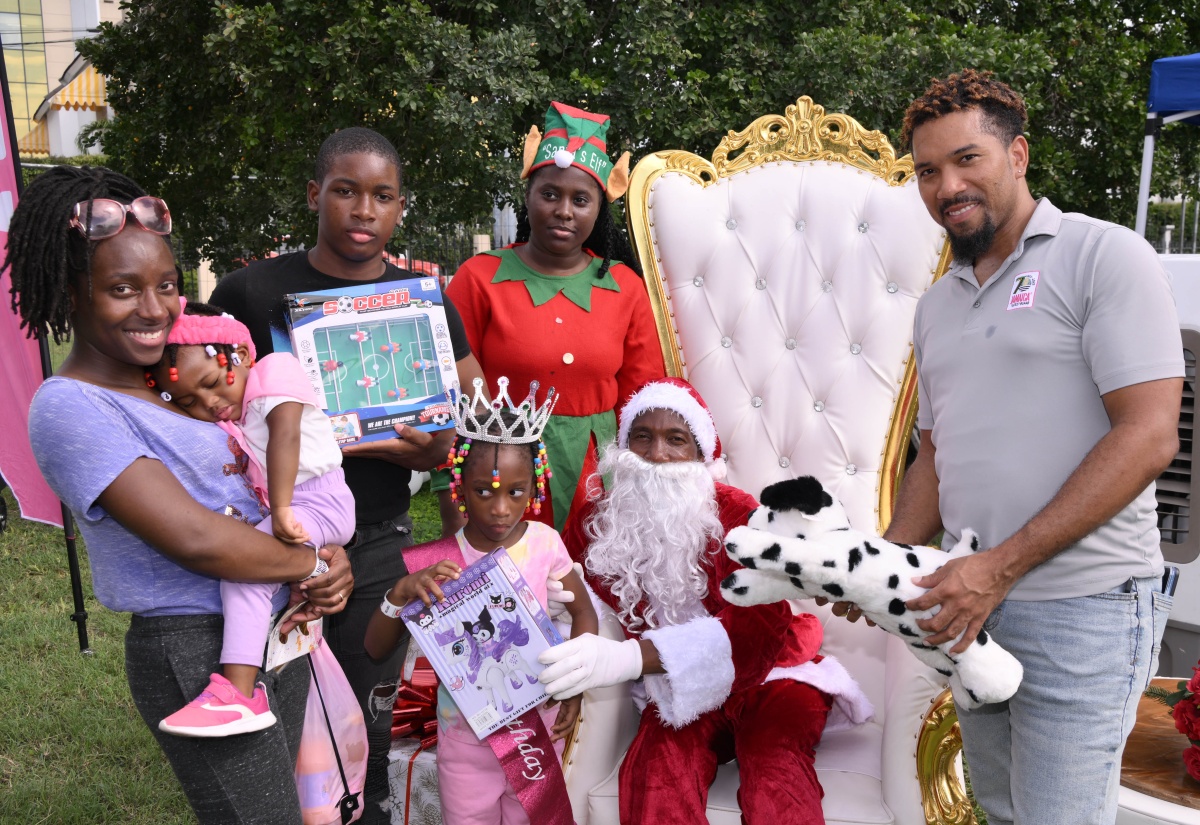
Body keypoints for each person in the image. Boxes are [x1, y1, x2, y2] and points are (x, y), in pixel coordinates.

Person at [878, 70, 1182, 825]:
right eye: (926, 171)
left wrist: (997, 568)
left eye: (967, 159)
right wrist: (881, 560)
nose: (947, 185)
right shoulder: (937, 306)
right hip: (975, 606)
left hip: (1085, 609)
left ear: (1017, 155)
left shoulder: (1103, 256)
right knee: (1004, 814)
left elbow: (1148, 437)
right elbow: (936, 454)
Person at [12, 165, 353, 823]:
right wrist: (314, 559)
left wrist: (331, 554)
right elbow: (197, 538)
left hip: (274, 627)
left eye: (166, 285)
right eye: (121, 288)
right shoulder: (71, 406)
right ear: (70, 292)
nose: (154, 308)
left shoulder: (174, 385)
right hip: (194, 645)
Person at [209, 126, 485, 823]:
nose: (364, 209)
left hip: (378, 539)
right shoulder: (251, 291)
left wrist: (430, 450)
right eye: (346, 191)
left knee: (367, 711)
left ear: (400, 209)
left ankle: (369, 808)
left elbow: (466, 410)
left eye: (382, 196)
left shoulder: (422, 299)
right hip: (269, 541)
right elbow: (207, 413)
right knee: (277, 708)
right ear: (314, 194)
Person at [536, 377, 872, 824]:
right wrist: (567, 606)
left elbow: (756, 634)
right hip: (677, 689)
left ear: (701, 455)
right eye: (642, 437)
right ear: (622, 445)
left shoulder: (738, 515)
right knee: (655, 768)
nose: (656, 454)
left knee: (773, 764)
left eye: (676, 440)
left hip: (774, 676)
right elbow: (571, 587)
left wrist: (627, 659)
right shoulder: (599, 519)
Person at [365, 377, 598, 824]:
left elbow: (584, 614)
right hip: (464, 743)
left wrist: (577, 684)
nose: (500, 509)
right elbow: (376, 648)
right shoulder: (436, 564)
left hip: (538, 732)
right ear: (458, 485)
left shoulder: (546, 543)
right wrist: (399, 593)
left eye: (515, 491)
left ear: (535, 486)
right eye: (483, 491)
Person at [444, 102, 666, 535]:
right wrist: (451, 498)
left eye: (580, 200)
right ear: (528, 196)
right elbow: (445, 390)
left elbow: (642, 399)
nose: (564, 210)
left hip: (600, 481)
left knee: (588, 595)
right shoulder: (478, 277)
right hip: (502, 478)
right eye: (550, 194)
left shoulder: (624, 286)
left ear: (598, 208)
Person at [147, 301, 355, 737]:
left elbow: (286, 435)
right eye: (190, 401)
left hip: (316, 502)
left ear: (239, 355)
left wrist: (279, 510)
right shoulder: (241, 409)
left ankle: (239, 695)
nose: (209, 402)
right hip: (300, 505)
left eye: (209, 383)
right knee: (251, 572)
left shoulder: (276, 369)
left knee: (243, 572)